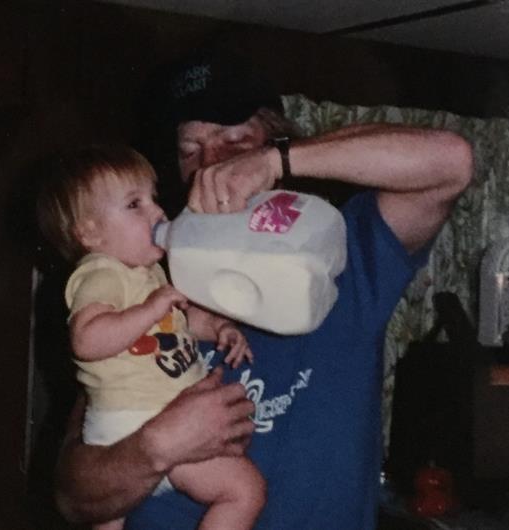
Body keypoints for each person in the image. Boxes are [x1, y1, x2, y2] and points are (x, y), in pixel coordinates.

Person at [53, 51, 473, 529]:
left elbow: (451, 162)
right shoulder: (146, 285)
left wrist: (277, 161)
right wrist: (157, 446)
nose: (211, 166)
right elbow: (75, 494)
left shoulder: (339, 257)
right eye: (190, 150)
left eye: (235, 140)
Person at [36, 144, 265, 530]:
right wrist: (152, 308)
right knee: (245, 491)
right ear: (90, 233)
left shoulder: (148, 274)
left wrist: (220, 330)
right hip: (132, 419)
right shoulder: (101, 273)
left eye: (153, 198)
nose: (157, 212)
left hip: (146, 422)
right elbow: (87, 340)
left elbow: (179, 324)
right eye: (134, 204)